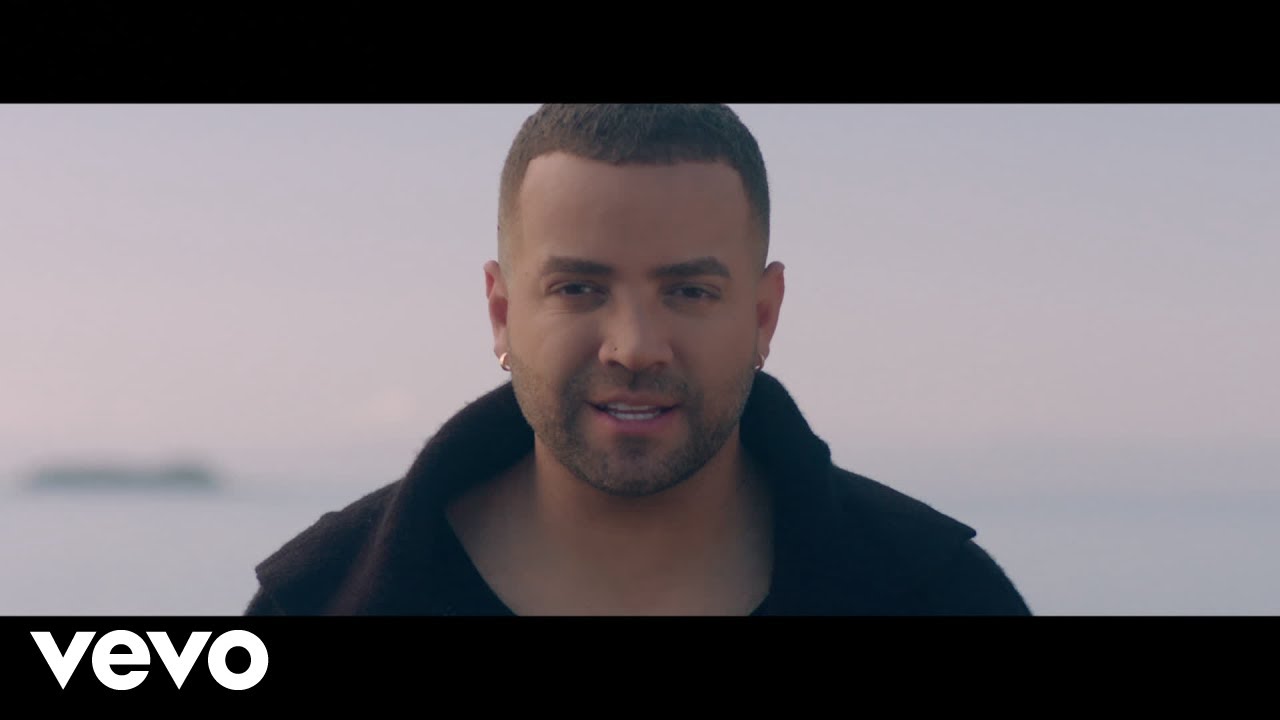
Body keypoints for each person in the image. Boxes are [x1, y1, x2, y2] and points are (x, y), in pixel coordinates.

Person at [244, 104, 1032, 616]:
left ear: (763, 315)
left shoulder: (941, 594)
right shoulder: (317, 600)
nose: (634, 347)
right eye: (579, 288)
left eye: (688, 291)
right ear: (502, 312)